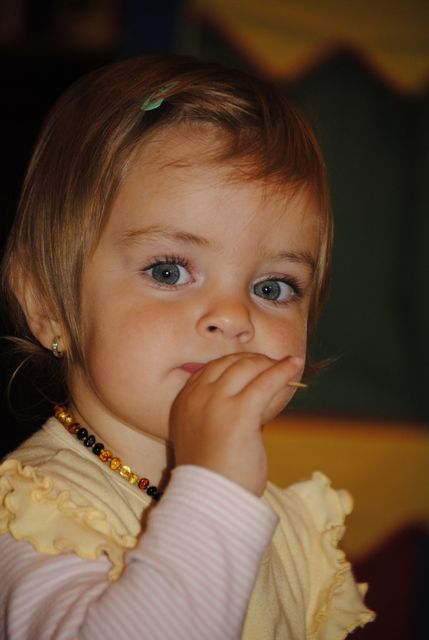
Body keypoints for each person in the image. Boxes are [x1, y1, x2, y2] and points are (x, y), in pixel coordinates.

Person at [0, 55, 375, 639]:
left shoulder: (287, 529)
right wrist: (215, 490)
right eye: (169, 271)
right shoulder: (35, 510)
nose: (233, 317)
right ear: (48, 304)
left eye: (273, 287)